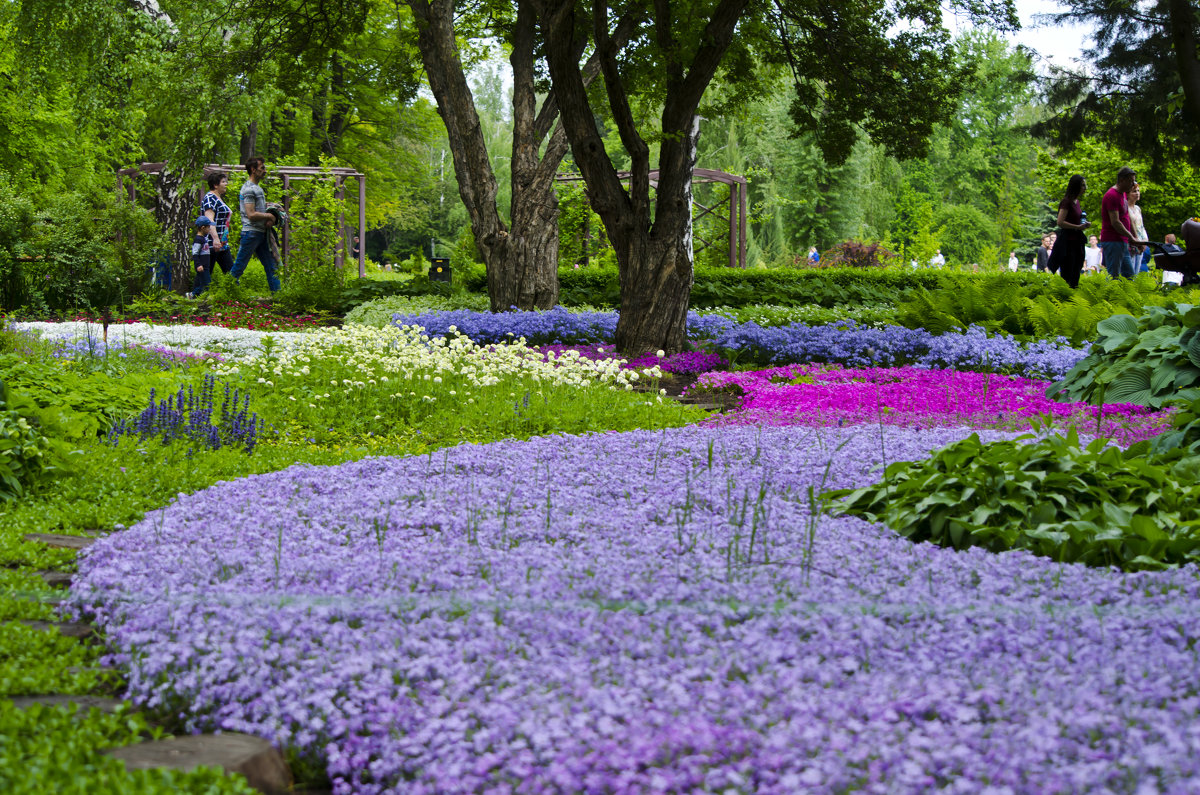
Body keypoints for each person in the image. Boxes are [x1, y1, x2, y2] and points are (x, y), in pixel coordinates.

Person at [230, 156, 280, 292]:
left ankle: (280, 297)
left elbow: (257, 211)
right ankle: (225, 293)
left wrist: (271, 214)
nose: (265, 170)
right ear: (253, 170)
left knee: (271, 266)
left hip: (261, 232)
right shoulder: (248, 189)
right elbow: (251, 214)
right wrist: (268, 215)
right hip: (251, 233)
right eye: (262, 168)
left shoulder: (257, 188)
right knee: (239, 266)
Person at [1099, 166, 1148, 279]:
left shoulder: (1123, 194)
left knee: (1129, 276)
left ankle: (1126, 297)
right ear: (1122, 180)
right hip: (1113, 240)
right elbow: (1115, 222)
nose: (1132, 184)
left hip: (1123, 241)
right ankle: (1108, 296)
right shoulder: (1112, 195)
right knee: (1113, 275)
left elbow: (1127, 218)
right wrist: (1131, 236)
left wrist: (1135, 238)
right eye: (1130, 181)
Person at [1046, 174, 1091, 288]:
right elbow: (1060, 222)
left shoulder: (1077, 202)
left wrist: (1083, 225)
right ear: (1075, 186)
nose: (1084, 188)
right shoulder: (1066, 202)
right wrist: (1077, 227)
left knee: (1076, 271)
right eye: (1082, 185)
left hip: (1077, 242)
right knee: (1067, 272)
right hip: (1068, 243)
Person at [201, 171, 234, 275]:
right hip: (212, 243)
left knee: (230, 273)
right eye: (223, 182)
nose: (226, 184)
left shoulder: (218, 198)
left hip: (222, 243)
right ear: (215, 185)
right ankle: (197, 292)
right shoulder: (210, 198)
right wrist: (215, 239)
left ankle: (235, 291)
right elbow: (210, 220)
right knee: (205, 276)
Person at [1127, 183, 1151, 272]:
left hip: (1141, 242)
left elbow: (1141, 226)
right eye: (1134, 191)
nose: (1137, 193)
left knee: (1136, 272)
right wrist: (1137, 241)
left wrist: (1145, 241)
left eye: (1138, 191)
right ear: (1128, 194)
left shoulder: (1137, 208)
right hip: (1132, 243)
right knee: (1130, 272)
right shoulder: (1125, 207)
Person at [189, 216, 213, 299]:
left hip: (205, 266)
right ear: (203, 228)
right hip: (202, 266)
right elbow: (195, 253)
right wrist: (198, 264)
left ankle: (193, 295)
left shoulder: (203, 239)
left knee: (201, 283)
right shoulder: (198, 239)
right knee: (207, 283)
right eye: (208, 227)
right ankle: (207, 297)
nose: (209, 229)